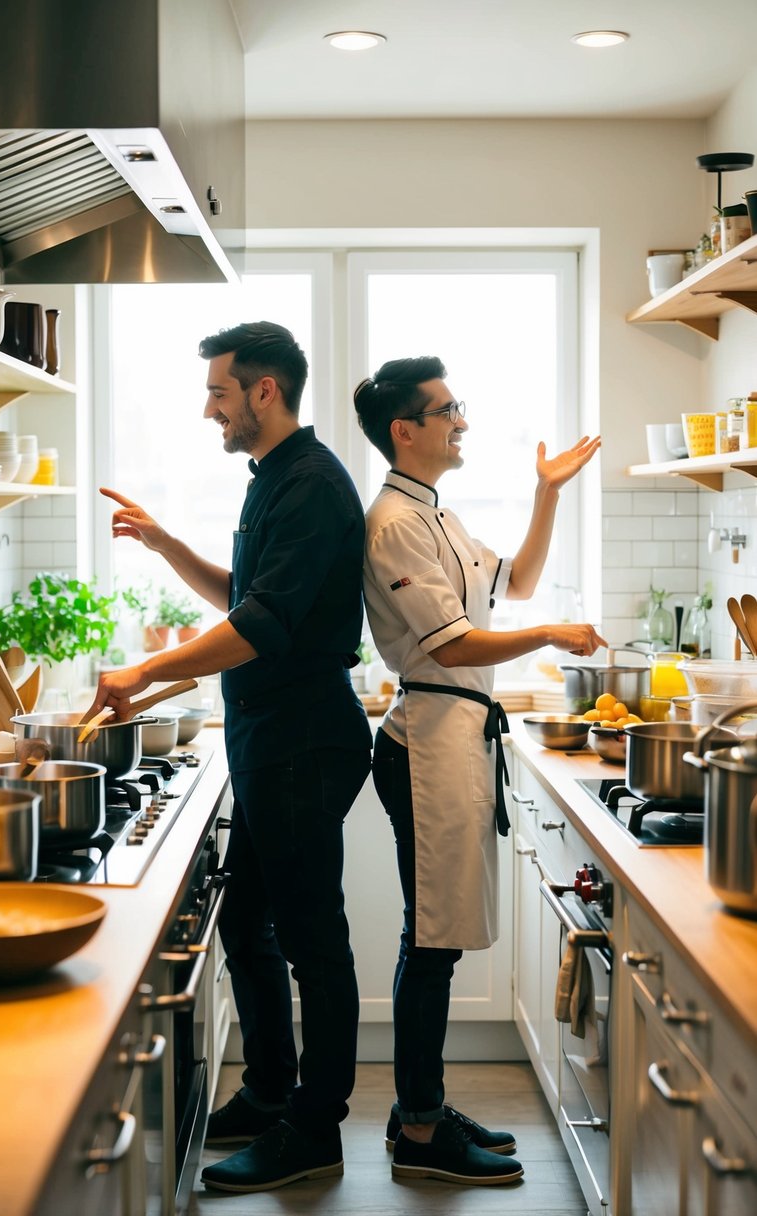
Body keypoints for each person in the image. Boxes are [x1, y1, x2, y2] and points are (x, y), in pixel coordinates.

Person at [86, 321, 373, 1193]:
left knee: (311, 939)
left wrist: (143, 667)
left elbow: (259, 628)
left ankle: (313, 1129)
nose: (207, 407)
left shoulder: (315, 487)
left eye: (218, 391)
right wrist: (167, 543)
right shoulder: (275, 479)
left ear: (264, 392)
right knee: (250, 926)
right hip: (268, 744)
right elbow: (249, 597)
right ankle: (271, 1090)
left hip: (300, 744)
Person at [353, 356, 606, 1187]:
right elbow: (453, 644)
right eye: (447, 409)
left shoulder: (437, 516)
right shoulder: (392, 523)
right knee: (431, 944)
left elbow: (518, 582)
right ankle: (420, 1132)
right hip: (425, 743)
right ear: (405, 429)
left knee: (438, 941)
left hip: (455, 738)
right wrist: (547, 637)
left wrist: (548, 493)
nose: (460, 420)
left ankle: (415, 1111)